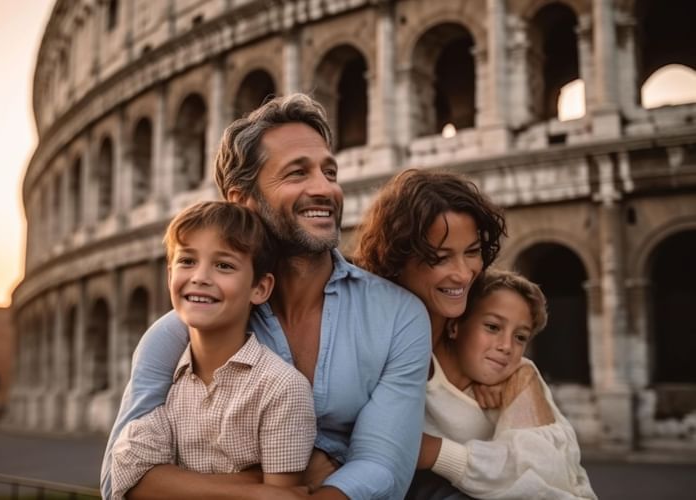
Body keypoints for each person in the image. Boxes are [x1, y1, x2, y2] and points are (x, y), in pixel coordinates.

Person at [100, 94, 432, 500]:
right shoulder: (177, 335)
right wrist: (265, 488)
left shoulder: (399, 315)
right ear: (243, 200)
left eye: (330, 172)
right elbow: (117, 482)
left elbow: (384, 468)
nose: (324, 189)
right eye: (298, 174)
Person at [354, 169, 596, 499]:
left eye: (472, 252)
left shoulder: (503, 365)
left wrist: (434, 452)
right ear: (395, 258)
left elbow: (547, 479)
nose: (463, 273)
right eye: (440, 257)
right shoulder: (370, 344)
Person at [110, 201, 316, 499]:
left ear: (260, 288)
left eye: (224, 265)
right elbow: (128, 476)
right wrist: (254, 489)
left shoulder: (283, 388)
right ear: (170, 276)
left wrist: (168, 483)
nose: (200, 277)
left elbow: (282, 498)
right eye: (187, 261)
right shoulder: (166, 377)